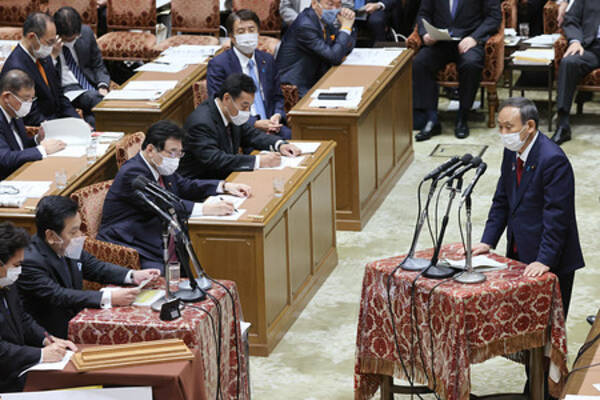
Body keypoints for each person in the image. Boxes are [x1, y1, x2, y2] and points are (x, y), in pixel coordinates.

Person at [472, 97, 584, 318]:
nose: (503, 133)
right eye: (500, 127)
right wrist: (487, 241)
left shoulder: (553, 160)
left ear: (530, 126)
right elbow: (502, 199)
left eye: (509, 127)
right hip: (519, 250)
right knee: (519, 321)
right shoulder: (511, 152)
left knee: (547, 325)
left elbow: (557, 217)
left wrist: (544, 260)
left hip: (550, 258)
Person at [98, 120, 251, 271]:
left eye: (179, 153)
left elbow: (184, 185)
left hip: (159, 233)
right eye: (172, 152)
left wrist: (224, 186)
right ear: (150, 150)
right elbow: (163, 204)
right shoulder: (133, 173)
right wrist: (206, 209)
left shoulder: (159, 166)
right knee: (173, 273)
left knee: (204, 255)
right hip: (132, 242)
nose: (176, 158)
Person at [18, 195, 161, 339]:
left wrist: (133, 275)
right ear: (51, 236)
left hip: (78, 323)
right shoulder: (29, 261)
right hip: (51, 336)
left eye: (79, 228)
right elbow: (59, 295)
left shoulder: (66, 244)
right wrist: (109, 297)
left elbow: (95, 267)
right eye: (73, 232)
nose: (80, 235)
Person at [0, 221, 78, 393]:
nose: (19, 271)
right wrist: (41, 354)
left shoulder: (7, 283)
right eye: (16, 265)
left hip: (17, 371)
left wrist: (47, 339)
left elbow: (23, 318)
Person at [179, 73, 301, 180]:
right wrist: (258, 161)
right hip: (202, 185)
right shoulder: (201, 123)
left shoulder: (230, 113)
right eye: (244, 106)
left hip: (227, 178)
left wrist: (280, 145)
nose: (247, 111)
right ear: (227, 98)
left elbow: (251, 135)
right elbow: (216, 160)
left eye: (249, 106)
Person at [412, 0, 501, 141]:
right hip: (440, 42)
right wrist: (425, 34)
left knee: (470, 64)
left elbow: (494, 17)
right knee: (419, 63)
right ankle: (431, 119)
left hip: (469, 41)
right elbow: (423, 14)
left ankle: (463, 117)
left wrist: (474, 38)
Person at [207, 9, 291, 140]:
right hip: (242, 131)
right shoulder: (219, 64)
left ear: (258, 33)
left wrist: (277, 115)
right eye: (241, 31)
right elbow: (221, 106)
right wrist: (255, 123)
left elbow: (277, 97)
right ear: (232, 37)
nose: (247, 35)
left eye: (251, 30)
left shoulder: (267, 60)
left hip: (273, 126)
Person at [0, 12, 80, 127]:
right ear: (32, 37)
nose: (52, 46)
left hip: (58, 121)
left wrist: (78, 121)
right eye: (49, 42)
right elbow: (31, 116)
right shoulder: (16, 69)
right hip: (41, 128)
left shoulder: (42, 56)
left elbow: (59, 95)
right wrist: (63, 127)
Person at [276, 0, 357, 97]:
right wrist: (345, 28)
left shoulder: (323, 20)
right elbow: (334, 56)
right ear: (314, 3)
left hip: (316, 77)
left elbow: (345, 48)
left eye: (338, 5)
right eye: (330, 4)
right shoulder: (306, 25)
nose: (335, 10)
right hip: (295, 88)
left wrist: (346, 25)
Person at [0, 69, 66, 180]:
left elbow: (19, 148)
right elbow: (5, 159)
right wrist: (42, 150)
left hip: (23, 173)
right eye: (26, 99)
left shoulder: (14, 111)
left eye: (32, 98)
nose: (29, 104)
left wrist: (37, 139)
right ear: (6, 97)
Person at [551, 0, 599, 145]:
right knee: (569, 62)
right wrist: (575, 41)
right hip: (591, 48)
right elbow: (571, 19)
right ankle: (563, 124)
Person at [53, 6, 110, 128]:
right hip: (66, 90)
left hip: (88, 85)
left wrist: (103, 86)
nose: (72, 42)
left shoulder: (86, 33)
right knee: (95, 99)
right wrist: (52, 56)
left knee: (93, 114)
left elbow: (98, 64)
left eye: (74, 38)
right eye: (67, 40)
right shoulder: (47, 43)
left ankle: (92, 129)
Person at [280, 0, 354, 28]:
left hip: (331, 32)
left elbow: (346, 8)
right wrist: (302, 23)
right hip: (295, 27)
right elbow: (285, 8)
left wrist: (329, 25)